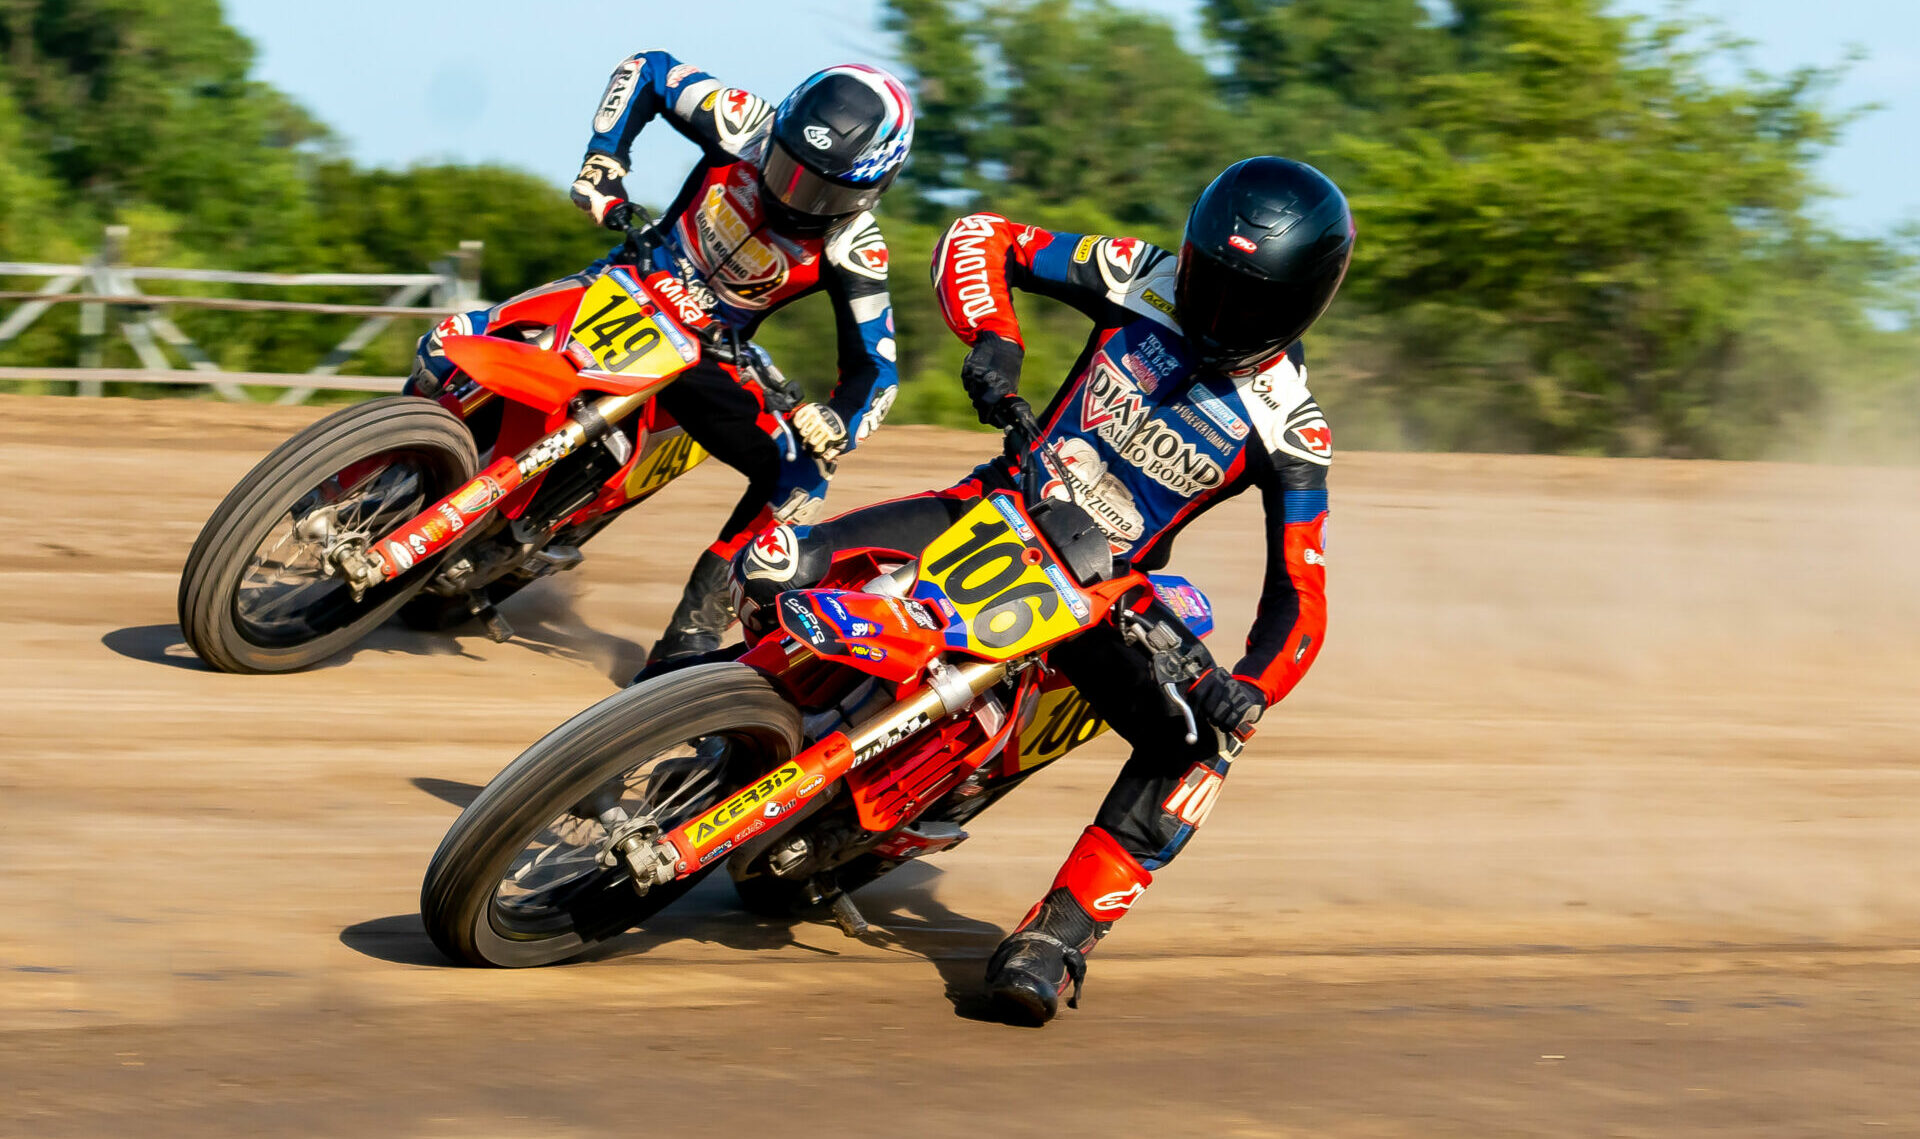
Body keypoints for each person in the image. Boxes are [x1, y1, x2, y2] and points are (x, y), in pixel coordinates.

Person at [732, 157, 1353, 1024]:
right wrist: (996, 338)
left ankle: (1056, 937)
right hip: (990, 502)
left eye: (1247, 302)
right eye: (1209, 281)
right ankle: (701, 711)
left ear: (1301, 305)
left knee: (1202, 747)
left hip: (1106, 596)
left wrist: (1247, 689)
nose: (1215, 311)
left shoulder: (1294, 426)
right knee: (775, 561)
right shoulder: (1138, 273)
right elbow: (981, 238)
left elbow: (1301, 598)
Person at [407, 52, 913, 669]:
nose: (791, 191)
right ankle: (363, 476)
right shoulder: (740, 120)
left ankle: (684, 645)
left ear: (868, 190)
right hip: (624, 280)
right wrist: (605, 158)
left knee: (804, 474)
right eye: (785, 166)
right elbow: (647, 68)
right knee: (443, 345)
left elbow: (877, 371)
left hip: (707, 356)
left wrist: (837, 423)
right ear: (777, 128)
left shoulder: (856, 248)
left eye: (820, 186)